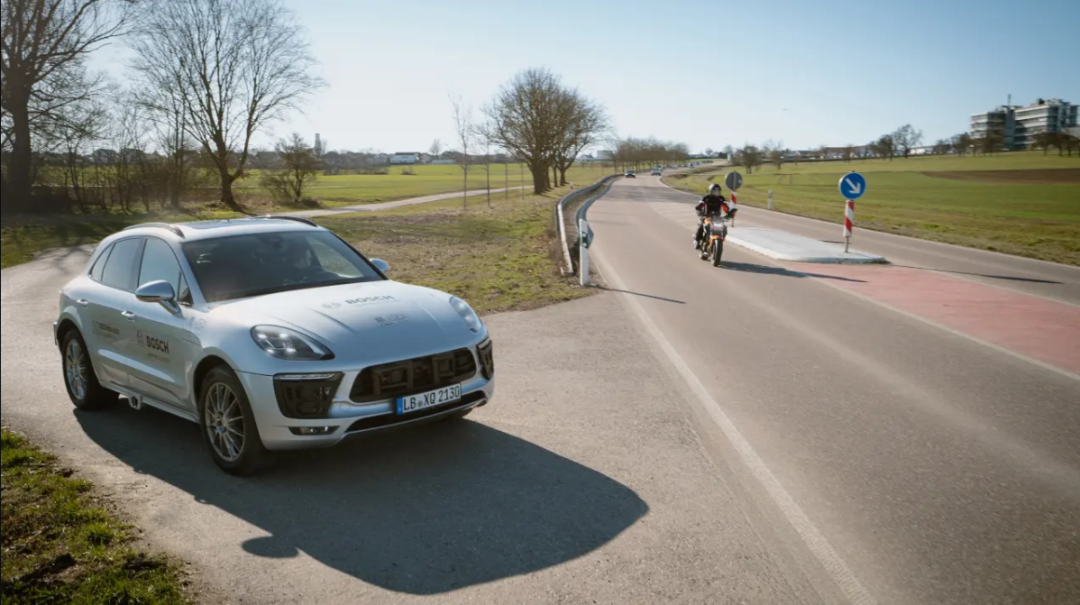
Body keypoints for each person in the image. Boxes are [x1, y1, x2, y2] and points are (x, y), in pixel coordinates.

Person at [694, 184, 736, 249]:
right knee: (701, 226)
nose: (716, 193)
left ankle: (720, 240)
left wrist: (729, 214)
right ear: (711, 191)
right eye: (715, 192)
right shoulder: (706, 198)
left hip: (717, 218)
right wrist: (700, 213)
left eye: (718, 192)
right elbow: (699, 206)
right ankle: (696, 240)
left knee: (724, 228)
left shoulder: (721, 198)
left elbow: (725, 207)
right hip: (706, 217)